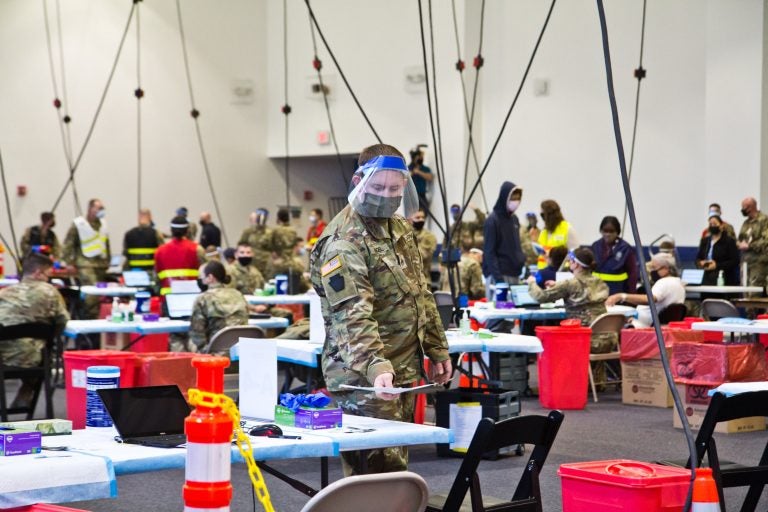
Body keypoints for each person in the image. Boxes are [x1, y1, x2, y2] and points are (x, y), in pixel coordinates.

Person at [310, 144, 451, 476]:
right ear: (359, 181)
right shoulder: (343, 241)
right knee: (377, 477)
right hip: (363, 375)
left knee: (396, 469)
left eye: (394, 189)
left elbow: (420, 293)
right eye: (377, 188)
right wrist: (375, 367)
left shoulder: (399, 228)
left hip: (401, 369)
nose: (386, 196)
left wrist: (437, 346)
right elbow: (351, 315)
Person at [0, 253, 69, 408]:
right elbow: (62, 320)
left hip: (2, 357)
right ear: (38, 273)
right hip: (31, 358)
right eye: (48, 275)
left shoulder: (4, 293)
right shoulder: (49, 291)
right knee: (43, 349)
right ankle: (26, 390)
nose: (49, 280)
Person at [527, 247, 615, 352]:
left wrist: (532, 283)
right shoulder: (600, 282)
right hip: (609, 340)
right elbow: (584, 290)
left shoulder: (570, 284)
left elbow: (541, 297)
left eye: (571, 259)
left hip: (585, 339)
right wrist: (557, 286)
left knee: (549, 343)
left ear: (576, 264)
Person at [606, 253, 686, 328]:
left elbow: (650, 299)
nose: (652, 271)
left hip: (643, 325)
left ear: (665, 269)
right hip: (652, 323)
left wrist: (622, 296)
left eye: (654, 268)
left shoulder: (663, 282)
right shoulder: (679, 283)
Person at [62, 198, 110, 318]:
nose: (101, 211)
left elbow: (106, 243)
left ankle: (94, 325)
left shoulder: (103, 224)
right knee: (91, 295)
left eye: (102, 208)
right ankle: (88, 322)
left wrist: (108, 260)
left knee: (99, 295)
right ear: (90, 209)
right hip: (85, 264)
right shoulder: (79, 224)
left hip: (101, 265)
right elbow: (68, 244)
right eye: (99, 208)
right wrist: (69, 263)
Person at [189, 260, 249, 352]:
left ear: (210, 277)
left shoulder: (203, 299)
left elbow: (197, 334)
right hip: (241, 351)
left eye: (201, 277)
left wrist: (206, 352)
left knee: (183, 340)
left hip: (216, 354)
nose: (200, 279)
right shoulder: (238, 294)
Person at [482, 182, 526, 299]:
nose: (516, 201)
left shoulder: (514, 219)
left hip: (515, 275)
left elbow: (516, 246)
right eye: (513, 198)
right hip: (499, 277)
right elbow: (489, 252)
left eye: (518, 198)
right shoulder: (492, 221)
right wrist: (498, 280)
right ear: (504, 197)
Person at [154, 216, 205, 296]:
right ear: (187, 230)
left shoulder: (159, 251)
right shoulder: (197, 249)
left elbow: (157, 279)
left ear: (171, 230)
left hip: (168, 298)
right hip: (192, 297)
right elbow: (205, 276)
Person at [591, 216, 638, 295]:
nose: (608, 234)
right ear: (601, 231)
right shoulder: (595, 246)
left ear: (617, 232)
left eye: (611, 231)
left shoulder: (625, 249)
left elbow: (633, 273)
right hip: (597, 291)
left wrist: (631, 294)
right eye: (605, 231)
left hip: (618, 292)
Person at [696, 214, 739, 286]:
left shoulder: (729, 241)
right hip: (707, 277)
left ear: (721, 226)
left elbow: (735, 261)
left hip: (724, 277)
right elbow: (698, 258)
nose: (712, 226)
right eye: (710, 224)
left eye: (715, 224)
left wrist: (717, 265)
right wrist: (700, 263)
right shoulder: (705, 241)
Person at [737, 196, 768, 292]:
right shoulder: (746, 223)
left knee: (754, 293)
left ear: (751, 207)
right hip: (745, 263)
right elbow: (740, 239)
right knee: (745, 293)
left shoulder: (764, 220)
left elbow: (766, 240)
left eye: (744, 207)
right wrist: (739, 243)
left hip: (758, 263)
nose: (742, 210)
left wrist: (750, 245)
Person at [537, 199, 578, 268]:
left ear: (550, 215)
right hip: (543, 271)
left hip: (560, 272)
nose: (543, 219)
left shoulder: (567, 228)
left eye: (543, 215)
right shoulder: (544, 231)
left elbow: (575, 253)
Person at [239, 208, 273, 277]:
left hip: (265, 265)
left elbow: (273, 249)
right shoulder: (249, 231)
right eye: (259, 216)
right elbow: (241, 245)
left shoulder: (271, 233)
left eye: (263, 217)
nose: (261, 219)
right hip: (251, 264)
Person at [409, 208, 437, 280]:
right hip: (407, 282)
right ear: (410, 219)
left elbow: (420, 256)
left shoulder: (429, 236)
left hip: (423, 280)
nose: (421, 220)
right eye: (418, 217)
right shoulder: (405, 234)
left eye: (423, 217)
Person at [271, 209, 298, 276]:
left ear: (278, 218)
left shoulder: (276, 230)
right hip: (292, 260)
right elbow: (295, 245)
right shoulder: (293, 230)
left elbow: (271, 245)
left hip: (279, 260)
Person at [408, 144, 432, 209]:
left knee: (423, 214)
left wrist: (419, 172)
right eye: (420, 156)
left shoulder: (425, 168)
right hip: (411, 196)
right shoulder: (408, 168)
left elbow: (430, 177)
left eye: (422, 156)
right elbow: (404, 179)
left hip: (422, 196)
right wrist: (413, 172)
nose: (421, 158)